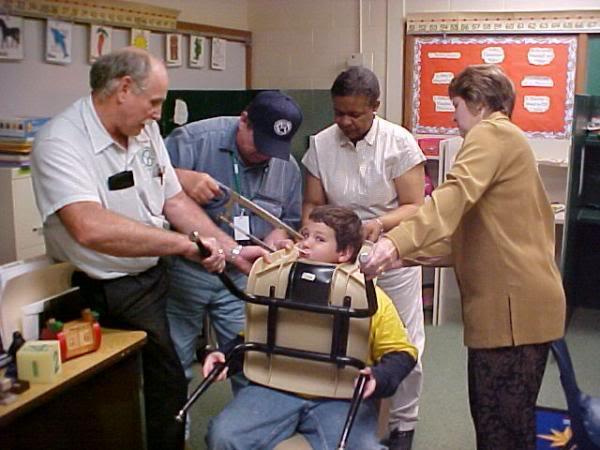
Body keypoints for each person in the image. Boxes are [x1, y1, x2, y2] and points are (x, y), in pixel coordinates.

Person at [30, 47, 265, 450]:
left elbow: (173, 200)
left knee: (165, 387)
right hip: (99, 290)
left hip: (151, 281)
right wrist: (184, 245)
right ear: (123, 89)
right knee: (111, 399)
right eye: (154, 102)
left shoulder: (143, 131)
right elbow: (88, 227)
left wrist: (229, 250)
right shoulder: (61, 142)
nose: (158, 114)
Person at [360, 64, 566, 450]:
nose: (453, 117)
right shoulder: (507, 140)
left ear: (479, 103)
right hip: (517, 308)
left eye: (455, 105)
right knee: (504, 425)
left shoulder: (491, 133)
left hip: (512, 314)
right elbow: (476, 238)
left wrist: (395, 243)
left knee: (500, 430)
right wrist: (405, 256)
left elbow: (453, 195)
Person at [204, 205, 418, 449]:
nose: (305, 243)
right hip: (276, 386)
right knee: (223, 437)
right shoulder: (276, 284)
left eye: (319, 239)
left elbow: (402, 352)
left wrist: (379, 377)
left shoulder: (369, 299)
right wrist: (226, 357)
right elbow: (256, 338)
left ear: (345, 252)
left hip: (340, 396)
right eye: (305, 235)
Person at [301, 66, 426, 449]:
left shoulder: (399, 143)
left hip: (390, 253)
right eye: (338, 112)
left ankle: (403, 425)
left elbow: (415, 206)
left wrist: (378, 224)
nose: (345, 121)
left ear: (375, 106)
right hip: (340, 258)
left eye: (354, 114)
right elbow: (313, 203)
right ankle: (347, 419)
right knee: (342, 340)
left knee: (402, 346)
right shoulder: (321, 144)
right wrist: (310, 239)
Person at [163, 91, 303, 386]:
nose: (265, 154)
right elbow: (143, 178)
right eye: (260, 143)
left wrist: (275, 241)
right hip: (185, 272)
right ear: (244, 120)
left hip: (242, 276)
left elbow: (288, 221)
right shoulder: (192, 141)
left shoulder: (286, 166)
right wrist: (180, 177)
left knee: (250, 363)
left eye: (273, 147)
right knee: (172, 363)